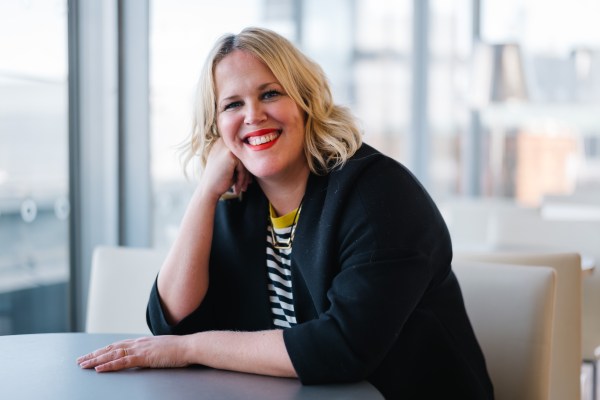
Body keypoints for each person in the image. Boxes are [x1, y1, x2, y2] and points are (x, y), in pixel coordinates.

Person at [77, 27, 493, 399]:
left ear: (306, 100)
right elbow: (171, 321)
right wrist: (204, 193)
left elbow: (342, 349)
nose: (253, 115)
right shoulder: (239, 200)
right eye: (232, 104)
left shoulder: (380, 195)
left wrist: (191, 349)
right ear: (216, 126)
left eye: (270, 94)